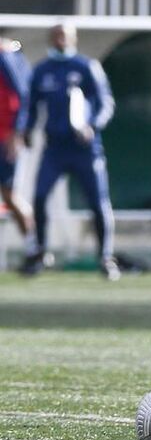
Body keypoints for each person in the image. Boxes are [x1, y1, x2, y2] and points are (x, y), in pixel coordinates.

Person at [16, 23, 118, 280]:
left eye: (66, 36)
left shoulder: (86, 67)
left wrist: (93, 125)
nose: (61, 41)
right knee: (38, 197)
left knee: (98, 202)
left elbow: (105, 102)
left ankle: (106, 257)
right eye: (58, 36)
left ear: (73, 39)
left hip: (85, 148)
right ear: (51, 38)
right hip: (55, 149)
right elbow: (31, 105)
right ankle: (40, 252)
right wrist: (26, 130)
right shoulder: (43, 70)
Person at [0, 32, 36, 268]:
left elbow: (22, 95)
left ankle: (34, 249)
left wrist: (16, 133)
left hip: (5, 138)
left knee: (10, 195)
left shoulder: (7, 57)